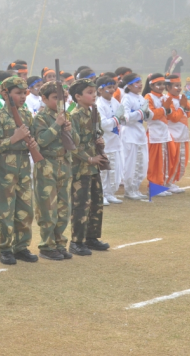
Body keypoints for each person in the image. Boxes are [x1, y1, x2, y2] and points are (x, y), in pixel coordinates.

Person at [0, 76, 40, 264]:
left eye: (24, 93)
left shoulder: (26, 114)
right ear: (5, 94)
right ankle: (5, 248)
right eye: (18, 93)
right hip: (5, 167)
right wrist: (14, 138)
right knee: (6, 210)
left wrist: (33, 143)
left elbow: (33, 137)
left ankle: (21, 246)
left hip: (24, 165)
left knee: (25, 208)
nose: (23, 96)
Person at [32, 81, 73, 261]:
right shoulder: (41, 118)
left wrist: (69, 130)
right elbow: (41, 140)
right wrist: (57, 125)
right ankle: (47, 245)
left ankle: (60, 243)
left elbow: (75, 142)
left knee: (64, 207)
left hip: (64, 163)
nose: (61, 101)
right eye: (56, 98)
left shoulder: (66, 116)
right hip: (47, 164)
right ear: (44, 98)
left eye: (64, 97)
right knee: (48, 207)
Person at [68, 79, 110, 256]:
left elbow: (97, 133)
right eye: (89, 92)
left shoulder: (93, 112)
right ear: (78, 96)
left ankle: (92, 237)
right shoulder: (74, 116)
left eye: (94, 92)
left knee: (96, 202)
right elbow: (72, 144)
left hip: (94, 165)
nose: (94, 95)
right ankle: (77, 241)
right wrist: (90, 158)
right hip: (80, 167)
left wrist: (100, 142)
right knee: (81, 204)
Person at [143, 73, 174, 195]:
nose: (162, 86)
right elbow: (151, 116)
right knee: (155, 163)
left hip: (164, 134)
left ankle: (161, 184)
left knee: (165, 161)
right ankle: (153, 187)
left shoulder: (164, 97)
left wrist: (168, 109)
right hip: (154, 135)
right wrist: (164, 109)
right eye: (158, 84)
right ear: (151, 85)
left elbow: (170, 115)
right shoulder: (148, 97)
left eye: (163, 84)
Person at [121, 73, 150, 200]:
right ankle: (129, 190)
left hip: (140, 134)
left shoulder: (141, 98)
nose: (140, 85)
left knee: (142, 163)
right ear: (129, 86)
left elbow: (148, 116)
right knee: (131, 164)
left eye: (140, 82)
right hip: (130, 134)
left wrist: (147, 113)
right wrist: (140, 113)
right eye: (137, 82)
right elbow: (125, 117)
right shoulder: (126, 98)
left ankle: (136, 188)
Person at [95, 76, 124, 205]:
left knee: (114, 170)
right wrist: (116, 119)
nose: (112, 90)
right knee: (103, 171)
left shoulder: (115, 102)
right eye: (109, 87)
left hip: (115, 142)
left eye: (113, 87)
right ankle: (101, 195)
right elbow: (103, 124)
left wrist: (122, 117)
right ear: (100, 90)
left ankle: (110, 193)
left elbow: (121, 117)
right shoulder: (99, 105)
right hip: (104, 142)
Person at [165, 74, 190, 194]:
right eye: (176, 86)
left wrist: (185, 106)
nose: (179, 88)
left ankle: (172, 182)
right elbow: (174, 118)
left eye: (180, 85)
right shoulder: (167, 100)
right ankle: (167, 183)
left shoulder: (181, 97)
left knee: (182, 161)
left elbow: (189, 113)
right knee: (172, 161)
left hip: (183, 135)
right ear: (168, 87)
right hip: (173, 135)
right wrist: (182, 106)